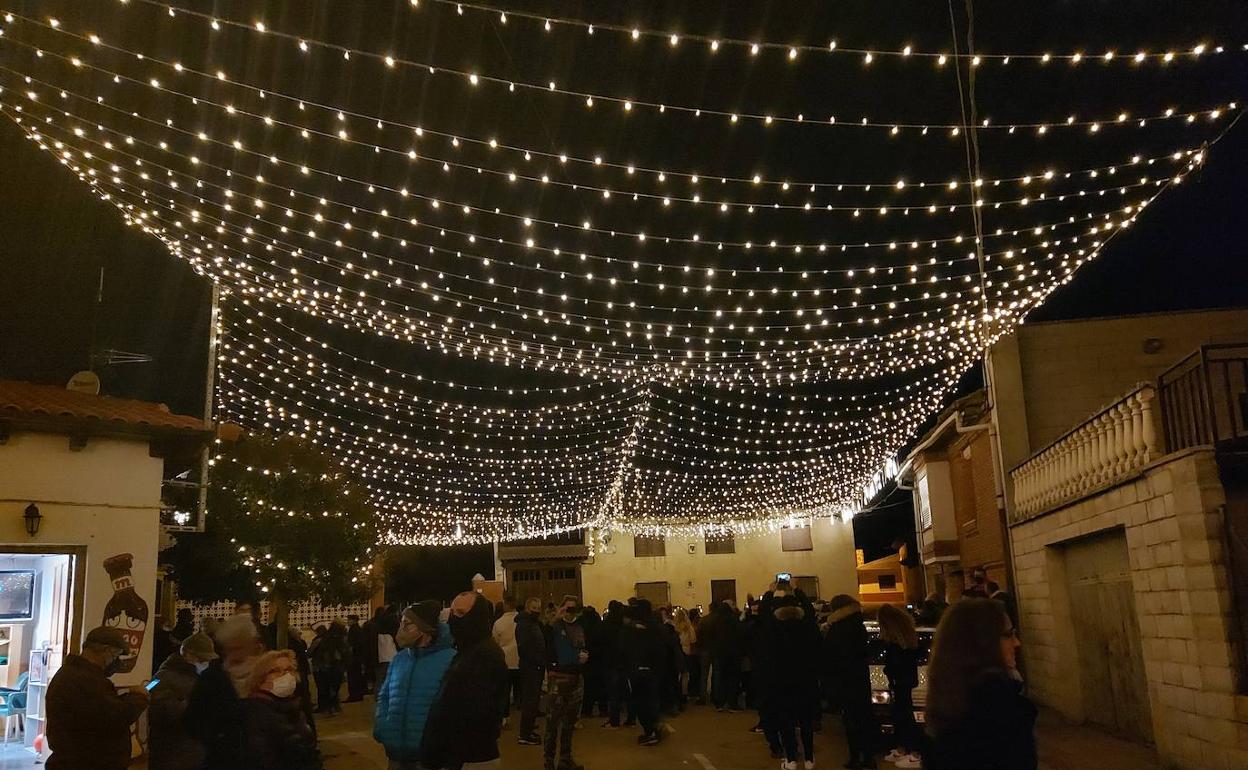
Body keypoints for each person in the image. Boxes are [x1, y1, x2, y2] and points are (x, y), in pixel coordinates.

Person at [924, 598, 1035, 770]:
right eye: (1008, 635)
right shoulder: (1001, 714)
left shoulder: (947, 707)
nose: (1016, 642)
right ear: (981, 643)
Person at [422, 591, 509, 769]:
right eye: (452, 613)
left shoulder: (486, 656)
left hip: (470, 759)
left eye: (461, 613)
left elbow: (474, 715)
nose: (454, 619)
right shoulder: (465, 652)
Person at [45, 626, 148, 770]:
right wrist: (139, 697)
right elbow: (117, 716)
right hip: (86, 763)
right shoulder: (85, 680)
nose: (115, 662)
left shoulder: (73, 674)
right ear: (106, 651)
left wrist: (126, 697)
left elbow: (100, 710)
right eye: (115, 656)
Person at [375, 601, 456, 770]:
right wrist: (383, 727)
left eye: (407, 624)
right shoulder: (400, 659)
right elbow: (384, 696)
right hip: (396, 752)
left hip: (428, 755)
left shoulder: (450, 660)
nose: (401, 629)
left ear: (424, 629)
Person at [186, 613, 265, 767]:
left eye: (239, 647)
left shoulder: (269, 672)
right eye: (230, 648)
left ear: (252, 644)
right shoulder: (212, 679)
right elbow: (192, 722)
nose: (234, 655)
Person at [766, 593, 821, 770]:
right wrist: (799, 591)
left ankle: (790, 759)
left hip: (782, 682)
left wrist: (770, 593)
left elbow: (763, 618)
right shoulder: (807, 627)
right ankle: (809, 759)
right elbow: (811, 615)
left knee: (786, 722)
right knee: (805, 722)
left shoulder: (775, 629)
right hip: (806, 681)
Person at [149, 631, 218, 770]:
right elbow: (156, 705)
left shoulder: (202, 678)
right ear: (187, 654)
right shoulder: (160, 676)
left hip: (195, 752)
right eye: (201, 659)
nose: (204, 664)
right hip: (173, 753)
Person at [242, 649, 322, 769]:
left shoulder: (292, 708)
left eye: (289, 670)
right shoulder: (256, 713)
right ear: (260, 678)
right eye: (275, 671)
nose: (285, 675)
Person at [823, 595, 876, 770]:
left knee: (851, 721)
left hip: (845, 680)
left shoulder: (837, 629)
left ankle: (855, 757)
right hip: (860, 678)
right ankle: (869, 757)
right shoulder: (859, 625)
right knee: (864, 719)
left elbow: (830, 657)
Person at [541, 595, 589, 770]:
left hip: (576, 676)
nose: (570, 612)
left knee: (570, 722)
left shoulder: (579, 626)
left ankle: (565, 759)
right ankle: (548, 761)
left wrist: (584, 656)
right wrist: (556, 618)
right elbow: (545, 637)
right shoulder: (553, 626)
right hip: (558, 678)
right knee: (552, 722)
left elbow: (582, 645)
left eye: (572, 609)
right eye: (567, 608)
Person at [878, 604, 923, 768]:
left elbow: (895, 664)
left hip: (901, 681)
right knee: (902, 714)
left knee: (904, 716)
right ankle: (904, 749)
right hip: (905, 681)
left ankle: (915, 752)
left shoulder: (895, 644)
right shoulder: (906, 639)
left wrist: (889, 670)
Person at [621, 599, 666, 746]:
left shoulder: (633, 628)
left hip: (638, 670)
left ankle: (651, 731)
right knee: (650, 700)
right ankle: (654, 728)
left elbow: (626, 649)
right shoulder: (655, 626)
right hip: (652, 670)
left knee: (641, 702)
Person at [515, 596, 547, 744]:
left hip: (535, 666)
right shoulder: (524, 625)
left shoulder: (532, 623)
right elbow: (525, 648)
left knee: (533, 701)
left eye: (538, 608)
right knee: (530, 701)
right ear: (528, 608)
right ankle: (524, 735)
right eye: (534, 608)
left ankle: (528, 730)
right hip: (530, 667)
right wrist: (537, 661)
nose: (536, 611)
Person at [598, 600, 631, 728]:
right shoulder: (624, 625)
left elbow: (601, 642)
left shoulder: (606, 624)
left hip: (610, 662)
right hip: (624, 662)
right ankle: (631, 719)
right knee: (627, 692)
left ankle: (614, 720)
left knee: (613, 694)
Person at [707, 601, 742, 711]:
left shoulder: (715, 621)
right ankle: (732, 703)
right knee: (732, 678)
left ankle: (720, 703)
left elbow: (711, 637)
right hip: (732, 653)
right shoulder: (734, 619)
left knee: (720, 678)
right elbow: (739, 634)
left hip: (719, 653)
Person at [491, 595, 521, 723]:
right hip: (521, 659)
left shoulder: (498, 623)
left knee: (505, 691)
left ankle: (505, 717)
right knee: (522, 690)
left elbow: (495, 642)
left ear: (506, 605)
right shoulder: (522, 619)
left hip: (505, 660)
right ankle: (525, 717)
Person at [311, 621, 349, 715]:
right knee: (333, 687)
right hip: (336, 666)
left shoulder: (322, 640)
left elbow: (311, 652)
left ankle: (328, 706)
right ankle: (333, 706)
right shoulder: (340, 640)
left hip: (325, 667)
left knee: (325, 688)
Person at [346, 614, 369, 702]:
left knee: (353, 677)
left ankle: (353, 695)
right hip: (359, 657)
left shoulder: (353, 630)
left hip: (354, 658)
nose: (348, 622)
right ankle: (359, 695)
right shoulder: (359, 629)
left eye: (349, 620)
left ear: (353, 620)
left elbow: (351, 645)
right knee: (358, 677)